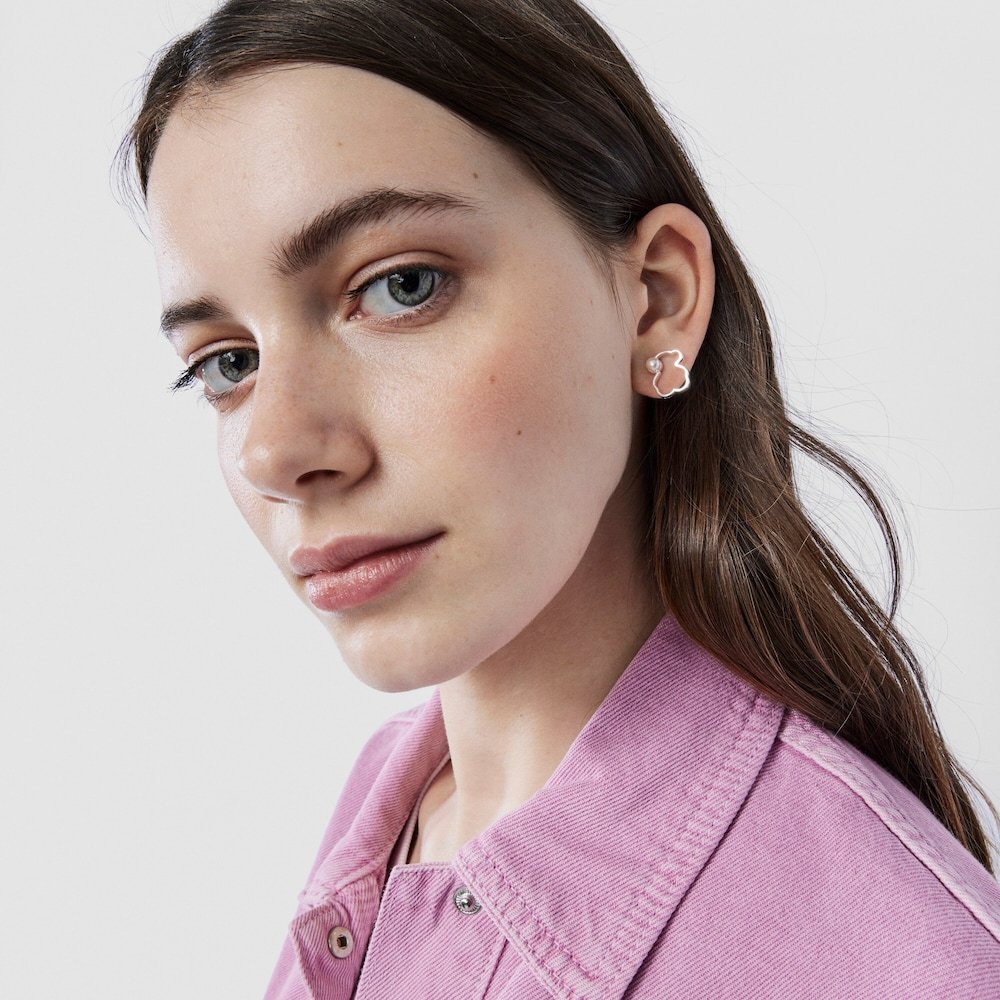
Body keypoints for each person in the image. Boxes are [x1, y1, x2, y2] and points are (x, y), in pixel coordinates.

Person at [114, 0, 1000, 995]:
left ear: (656, 297)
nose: (276, 450)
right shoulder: (386, 813)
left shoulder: (908, 961)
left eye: (401, 286)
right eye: (227, 362)